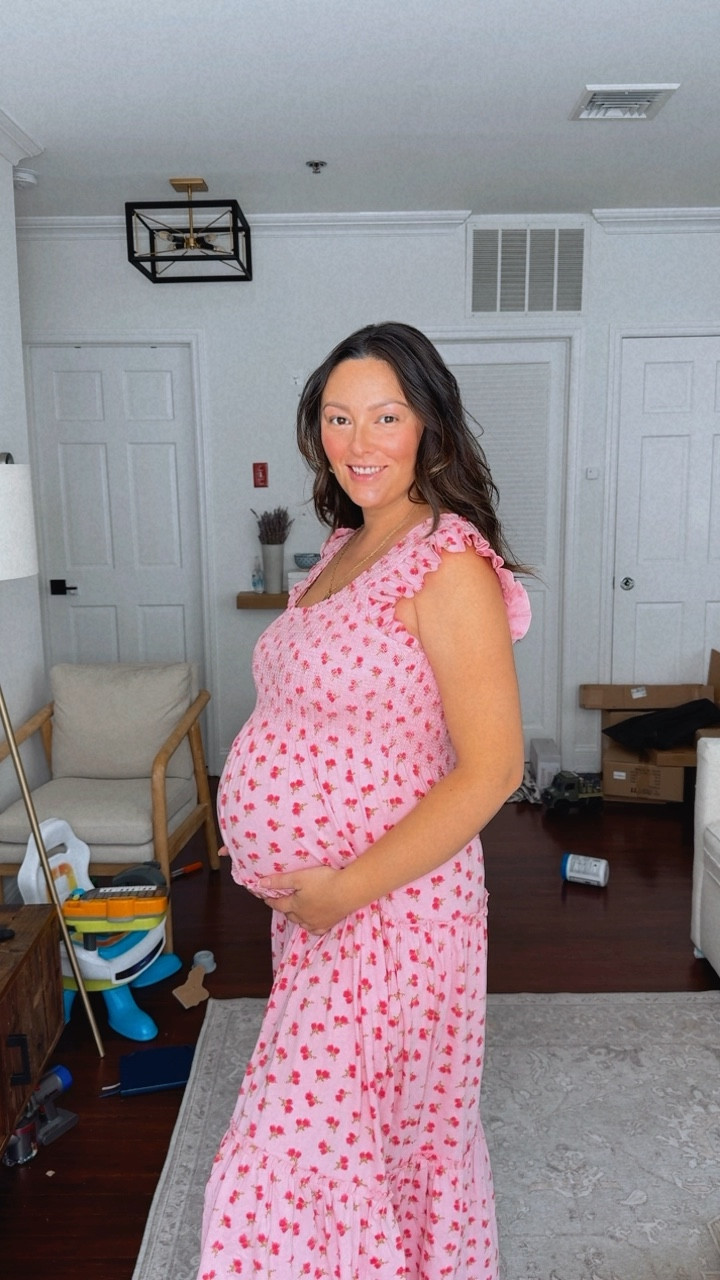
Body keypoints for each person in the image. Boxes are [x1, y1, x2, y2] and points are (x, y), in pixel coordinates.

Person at [197, 322, 531, 1280]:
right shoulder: (345, 542)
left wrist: (343, 890)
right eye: (339, 417)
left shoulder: (449, 563)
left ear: (428, 423)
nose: (360, 440)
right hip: (321, 917)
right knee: (358, 1147)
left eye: (385, 415)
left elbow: (494, 768)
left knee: (276, 1165)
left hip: (392, 916)